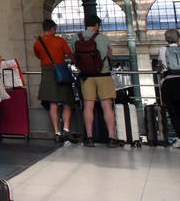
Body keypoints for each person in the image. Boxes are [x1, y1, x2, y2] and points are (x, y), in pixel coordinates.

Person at [33, 19, 79, 145]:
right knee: (67, 101)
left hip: (47, 73)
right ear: (53, 28)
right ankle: (66, 129)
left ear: (44, 29)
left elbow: (38, 55)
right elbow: (70, 55)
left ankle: (57, 133)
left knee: (53, 104)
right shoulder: (60, 41)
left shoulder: (38, 43)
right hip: (61, 72)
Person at [75, 17, 120, 148]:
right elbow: (110, 54)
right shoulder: (103, 38)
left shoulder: (76, 38)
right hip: (103, 75)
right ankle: (111, 138)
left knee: (88, 106)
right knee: (107, 106)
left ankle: (89, 138)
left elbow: (73, 56)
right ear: (96, 25)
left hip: (86, 77)